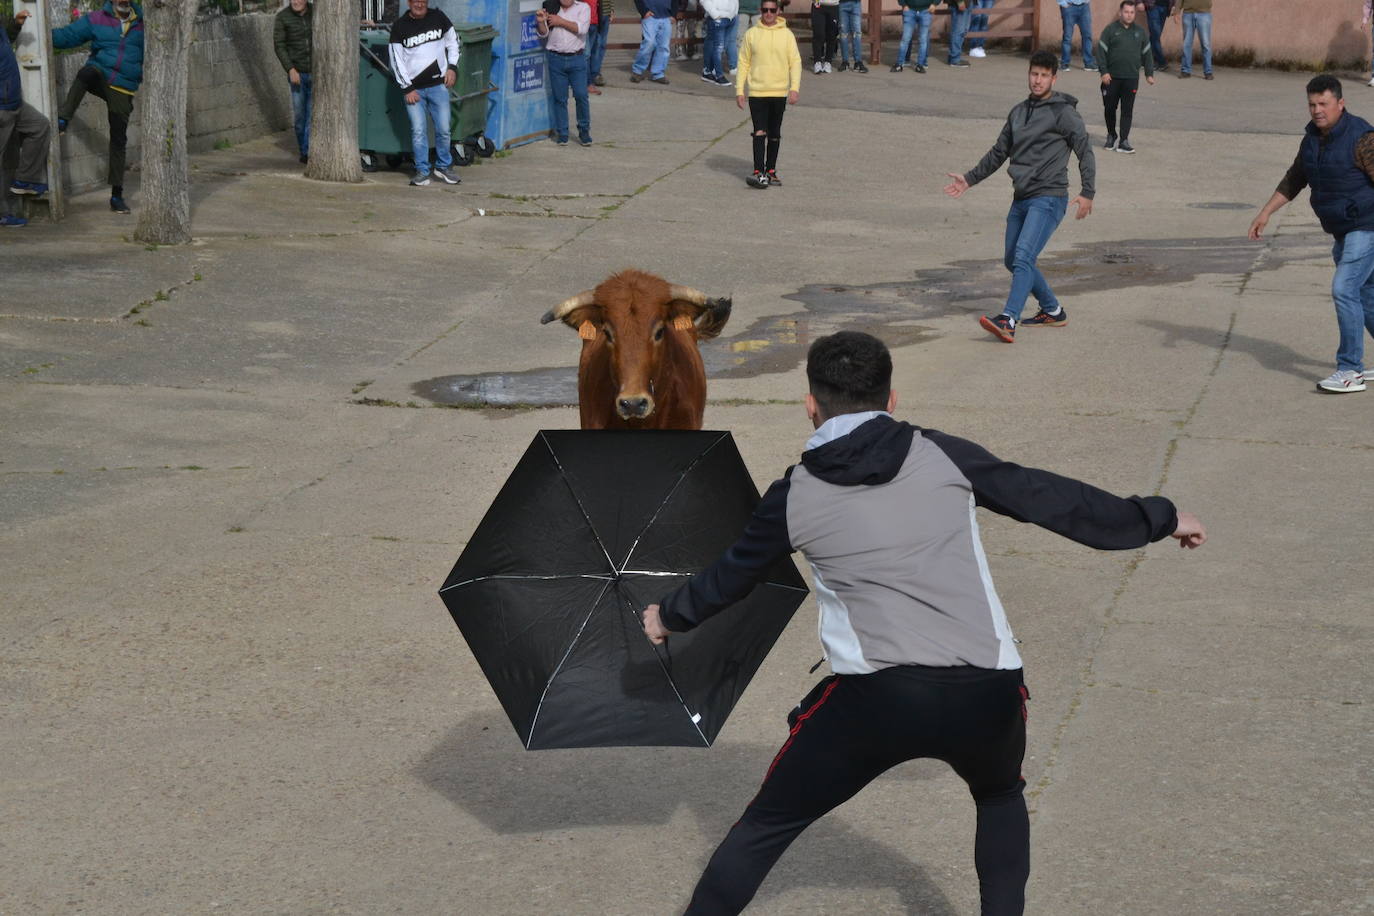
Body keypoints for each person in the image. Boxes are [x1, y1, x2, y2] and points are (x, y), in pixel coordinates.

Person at [640, 330, 1207, 916]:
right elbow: (1048, 497)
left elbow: (733, 574)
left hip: (875, 701)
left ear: (811, 405)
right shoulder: (943, 453)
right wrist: (1159, 519)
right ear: (892, 400)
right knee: (1000, 794)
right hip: (988, 691)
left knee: (765, 827)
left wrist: (670, 617)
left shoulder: (793, 494)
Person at [944, 49, 1094, 343]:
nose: (1037, 81)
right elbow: (1000, 152)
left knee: (1024, 255)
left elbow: (1084, 151)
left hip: (1049, 197)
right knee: (1013, 259)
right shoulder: (1018, 112)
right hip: (1022, 197)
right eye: (1033, 74)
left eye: (1043, 76)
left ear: (1054, 78)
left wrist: (1087, 191)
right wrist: (970, 179)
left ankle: (1008, 318)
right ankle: (1052, 310)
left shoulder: (1064, 113)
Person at [1248, 76, 1374, 394]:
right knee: (1365, 296)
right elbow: (1295, 178)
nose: (1317, 111)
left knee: (1344, 289)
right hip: (1343, 230)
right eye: (1312, 104)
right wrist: (1265, 212)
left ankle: (1350, 370)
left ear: (1340, 104)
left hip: (1367, 227)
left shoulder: (1362, 137)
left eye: (1323, 104)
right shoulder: (1312, 140)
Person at [51, 0, 144, 215]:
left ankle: (116, 196)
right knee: (87, 72)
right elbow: (67, 36)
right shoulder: (96, 19)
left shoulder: (142, 24)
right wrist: (39, 33)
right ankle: (63, 119)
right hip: (100, 75)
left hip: (123, 87)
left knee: (118, 140)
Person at [389, 0, 460, 186]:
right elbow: (396, 60)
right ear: (409, 3)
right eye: (415, 1)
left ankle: (444, 167)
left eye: (422, 1)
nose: (419, 5)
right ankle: (422, 170)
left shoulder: (439, 17)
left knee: (444, 129)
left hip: (439, 86)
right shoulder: (399, 26)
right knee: (419, 131)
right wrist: (407, 88)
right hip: (414, 90)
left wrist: (452, 68)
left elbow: (453, 42)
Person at [735, 0, 799, 188]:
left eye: (772, 10)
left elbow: (795, 62)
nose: (769, 14)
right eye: (765, 10)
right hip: (757, 92)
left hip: (779, 92)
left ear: (778, 11)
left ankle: (771, 170)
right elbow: (744, 62)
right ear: (760, 11)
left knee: (775, 132)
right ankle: (758, 171)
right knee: (759, 131)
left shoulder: (787, 35)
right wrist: (740, 90)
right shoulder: (752, 34)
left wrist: (794, 88)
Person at [2, 10, 52, 227]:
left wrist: (16, 25)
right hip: (2, 108)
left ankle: (24, 179)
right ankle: (3, 214)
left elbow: (6, 39)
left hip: (15, 104)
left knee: (40, 126)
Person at [1097, 0, 1154, 154]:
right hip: (1111, 78)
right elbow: (1101, 52)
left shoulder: (1140, 32)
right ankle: (1111, 135)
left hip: (1131, 78)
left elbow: (1147, 53)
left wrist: (1149, 73)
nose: (1129, 15)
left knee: (1127, 110)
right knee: (1109, 108)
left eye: (1132, 12)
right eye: (1126, 12)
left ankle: (1124, 141)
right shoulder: (1110, 30)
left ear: (1135, 14)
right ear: (1120, 12)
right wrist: (1104, 72)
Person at [537, 0, 593, 145]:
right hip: (556, 58)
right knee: (560, 98)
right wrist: (541, 22)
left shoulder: (583, 7)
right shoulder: (550, 6)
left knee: (581, 95)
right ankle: (562, 133)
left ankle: (584, 131)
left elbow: (581, 29)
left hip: (577, 58)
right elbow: (543, 34)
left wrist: (560, 21)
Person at [274, 0, 313, 165]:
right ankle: (304, 148)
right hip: (297, 74)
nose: (296, 1)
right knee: (299, 118)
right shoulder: (283, 17)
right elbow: (279, 45)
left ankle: (307, 152)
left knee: (312, 116)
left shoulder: (315, 12)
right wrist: (290, 69)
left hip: (316, 72)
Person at [630, 0, 679, 84]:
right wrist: (644, 11)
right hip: (650, 17)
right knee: (649, 43)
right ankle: (637, 71)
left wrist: (673, 14)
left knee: (663, 47)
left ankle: (658, 74)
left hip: (666, 17)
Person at [890, 0, 936, 72]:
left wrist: (934, 4)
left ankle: (920, 65)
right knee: (905, 39)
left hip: (926, 11)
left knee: (923, 40)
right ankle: (899, 64)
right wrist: (904, 5)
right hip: (910, 10)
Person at [701, 0, 739, 85]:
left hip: (730, 17)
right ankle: (718, 75)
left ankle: (707, 71)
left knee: (717, 45)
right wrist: (715, 14)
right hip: (717, 17)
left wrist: (734, 13)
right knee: (718, 47)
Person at [1172, 0, 1210, 79]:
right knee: (1187, 44)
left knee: (1206, 44)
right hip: (1188, 14)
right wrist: (1176, 12)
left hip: (1204, 13)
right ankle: (1185, 71)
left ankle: (1208, 71)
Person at [1057, 0, 1094, 71]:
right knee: (1067, 37)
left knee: (1087, 36)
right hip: (1069, 7)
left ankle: (1088, 63)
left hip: (1084, 7)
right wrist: (1062, 3)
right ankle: (1064, 63)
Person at [586, 0, 613, 93]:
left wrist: (611, 9)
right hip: (594, 12)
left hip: (605, 12)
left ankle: (595, 74)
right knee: (591, 48)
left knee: (600, 46)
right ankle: (589, 78)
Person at [809, 0, 838, 74]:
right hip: (818, 5)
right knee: (818, 33)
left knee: (832, 35)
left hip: (833, 6)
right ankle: (817, 62)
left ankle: (828, 62)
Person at [835, 0, 866, 71]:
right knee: (843, 34)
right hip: (842, 3)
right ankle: (845, 62)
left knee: (857, 33)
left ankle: (858, 62)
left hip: (856, 3)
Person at [1142, 0, 1171, 71]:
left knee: (1155, 36)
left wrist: (1173, 5)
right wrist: (1139, 2)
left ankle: (1149, 61)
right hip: (1153, 6)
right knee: (1155, 35)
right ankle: (1162, 62)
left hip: (1165, 7)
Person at [946, 0, 971, 68]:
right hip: (959, 3)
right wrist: (959, 1)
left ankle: (953, 57)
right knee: (958, 31)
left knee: (962, 31)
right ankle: (955, 59)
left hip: (967, 3)